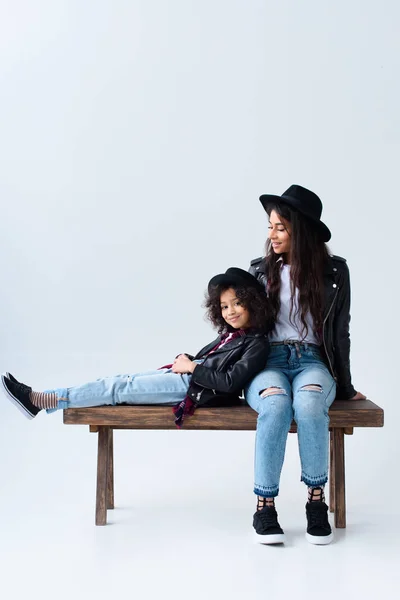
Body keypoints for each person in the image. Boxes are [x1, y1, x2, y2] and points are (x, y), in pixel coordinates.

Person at [2, 268, 272, 428]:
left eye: (237, 303)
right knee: (117, 381)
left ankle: (39, 400)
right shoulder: (232, 336)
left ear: (252, 303)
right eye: (224, 306)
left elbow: (228, 381)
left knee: (118, 390)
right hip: (185, 378)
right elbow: (212, 362)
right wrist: (190, 359)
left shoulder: (256, 343)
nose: (230, 311)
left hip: (191, 388)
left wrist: (191, 367)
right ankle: (41, 400)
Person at [246, 184, 366, 545]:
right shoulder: (259, 271)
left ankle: (316, 502)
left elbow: (340, 333)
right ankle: (264, 505)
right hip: (268, 360)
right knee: (275, 403)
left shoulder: (334, 272)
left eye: (280, 227)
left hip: (313, 361)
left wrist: (344, 388)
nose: (272, 235)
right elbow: (240, 330)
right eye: (270, 227)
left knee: (311, 403)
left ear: (301, 229)